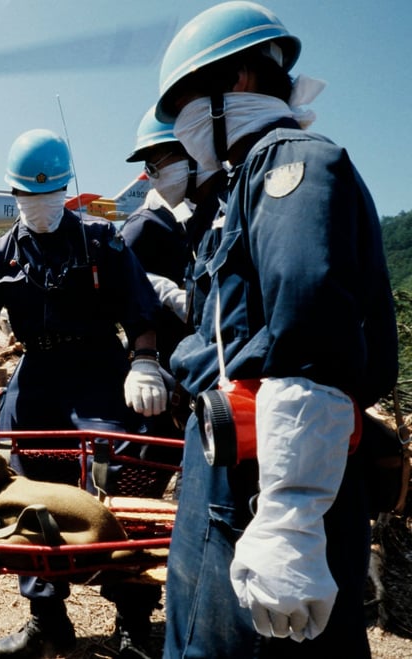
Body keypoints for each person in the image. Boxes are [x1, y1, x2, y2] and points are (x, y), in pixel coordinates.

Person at [153, 3, 398, 657]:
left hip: (273, 485)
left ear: (235, 83)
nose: (180, 127)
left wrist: (290, 516)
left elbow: (309, 332)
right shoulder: (240, 185)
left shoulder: (291, 163)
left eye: (183, 104)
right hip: (235, 475)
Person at [0, 128, 166, 659]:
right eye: (29, 195)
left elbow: (140, 309)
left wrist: (146, 363)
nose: (41, 205)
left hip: (99, 369)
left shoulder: (103, 240)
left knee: (123, 473)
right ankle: (47, 619)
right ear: (14, 194)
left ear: (65, 188)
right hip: (36, 372)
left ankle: (132, 621)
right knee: (25, 489)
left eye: (50, 193)